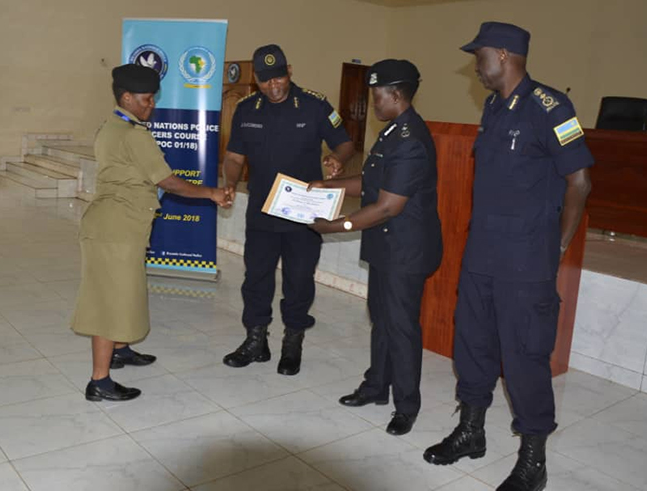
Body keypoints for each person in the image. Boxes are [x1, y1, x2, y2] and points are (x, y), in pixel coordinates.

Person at [422, 22, 593, 491]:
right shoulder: (494, 107)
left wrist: (556, 247)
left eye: (479, 56)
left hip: (526, 262)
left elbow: (580, 182)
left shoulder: (551, 107)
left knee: (525, 358)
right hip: (483, 255)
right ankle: (471, 432)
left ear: (503, 54)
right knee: (472, 347)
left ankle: (533, 461)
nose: (475, 66)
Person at [71, 64, 232, 402]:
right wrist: (212, 193)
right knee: (108, 303)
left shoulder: (113, 125)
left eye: (152, 99)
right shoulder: (133, 134)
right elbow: (168, 182)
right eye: (146, 100)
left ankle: (121, 348)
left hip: (119, 225)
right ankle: (99, 381)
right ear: (126, 97)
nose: (151, 106)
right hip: (115, 229)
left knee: (123, 291)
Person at [308, 59, 442, 436]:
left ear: (396, 95)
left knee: (401, 327)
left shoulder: (410, 140)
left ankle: (406, 406)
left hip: (406, 251)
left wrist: (333, 226)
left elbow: (386, 207)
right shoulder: (390, 133)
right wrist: (325, 186)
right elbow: (368, 184)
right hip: (386, 246)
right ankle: (375, 387)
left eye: (377, 96)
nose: (373, 103)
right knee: (380, 318)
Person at [221, 44, 354, 375]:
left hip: (303, 214)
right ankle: (256, 340)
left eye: (278, 77)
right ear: (256, 80)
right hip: (262, 211)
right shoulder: (246, 109)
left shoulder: (313, 105)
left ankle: (292, 343)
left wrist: (337, 158)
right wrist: (229, 184)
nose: (273, 86)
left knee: (298, 279)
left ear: (289, 71)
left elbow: (345, 142)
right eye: (265, 81)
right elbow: (235, 157)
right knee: (256, 278)